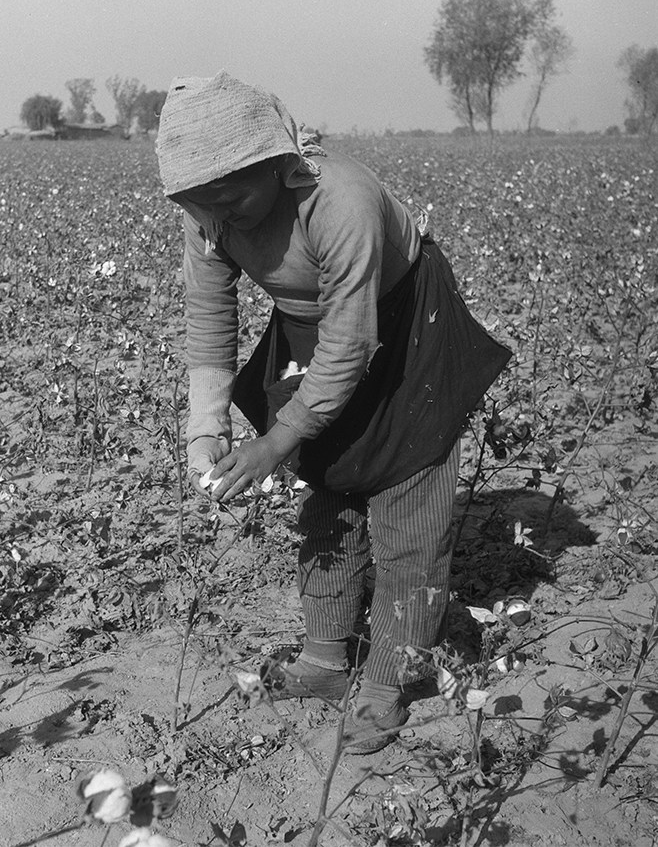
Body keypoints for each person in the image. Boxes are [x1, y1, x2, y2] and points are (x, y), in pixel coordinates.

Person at [155, 71, 511, 753]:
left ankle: (387, 683)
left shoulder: (335, 197)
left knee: (410, 504)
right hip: (310, 333)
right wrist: (208, 426)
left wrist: (273, 442)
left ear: (278, 166)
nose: (219, 220)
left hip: (403, 326)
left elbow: (352, 342)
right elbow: (208, 317)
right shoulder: (207, 212)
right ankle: (323, 661)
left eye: (232, 200)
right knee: (327, 490)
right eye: (204, 206)